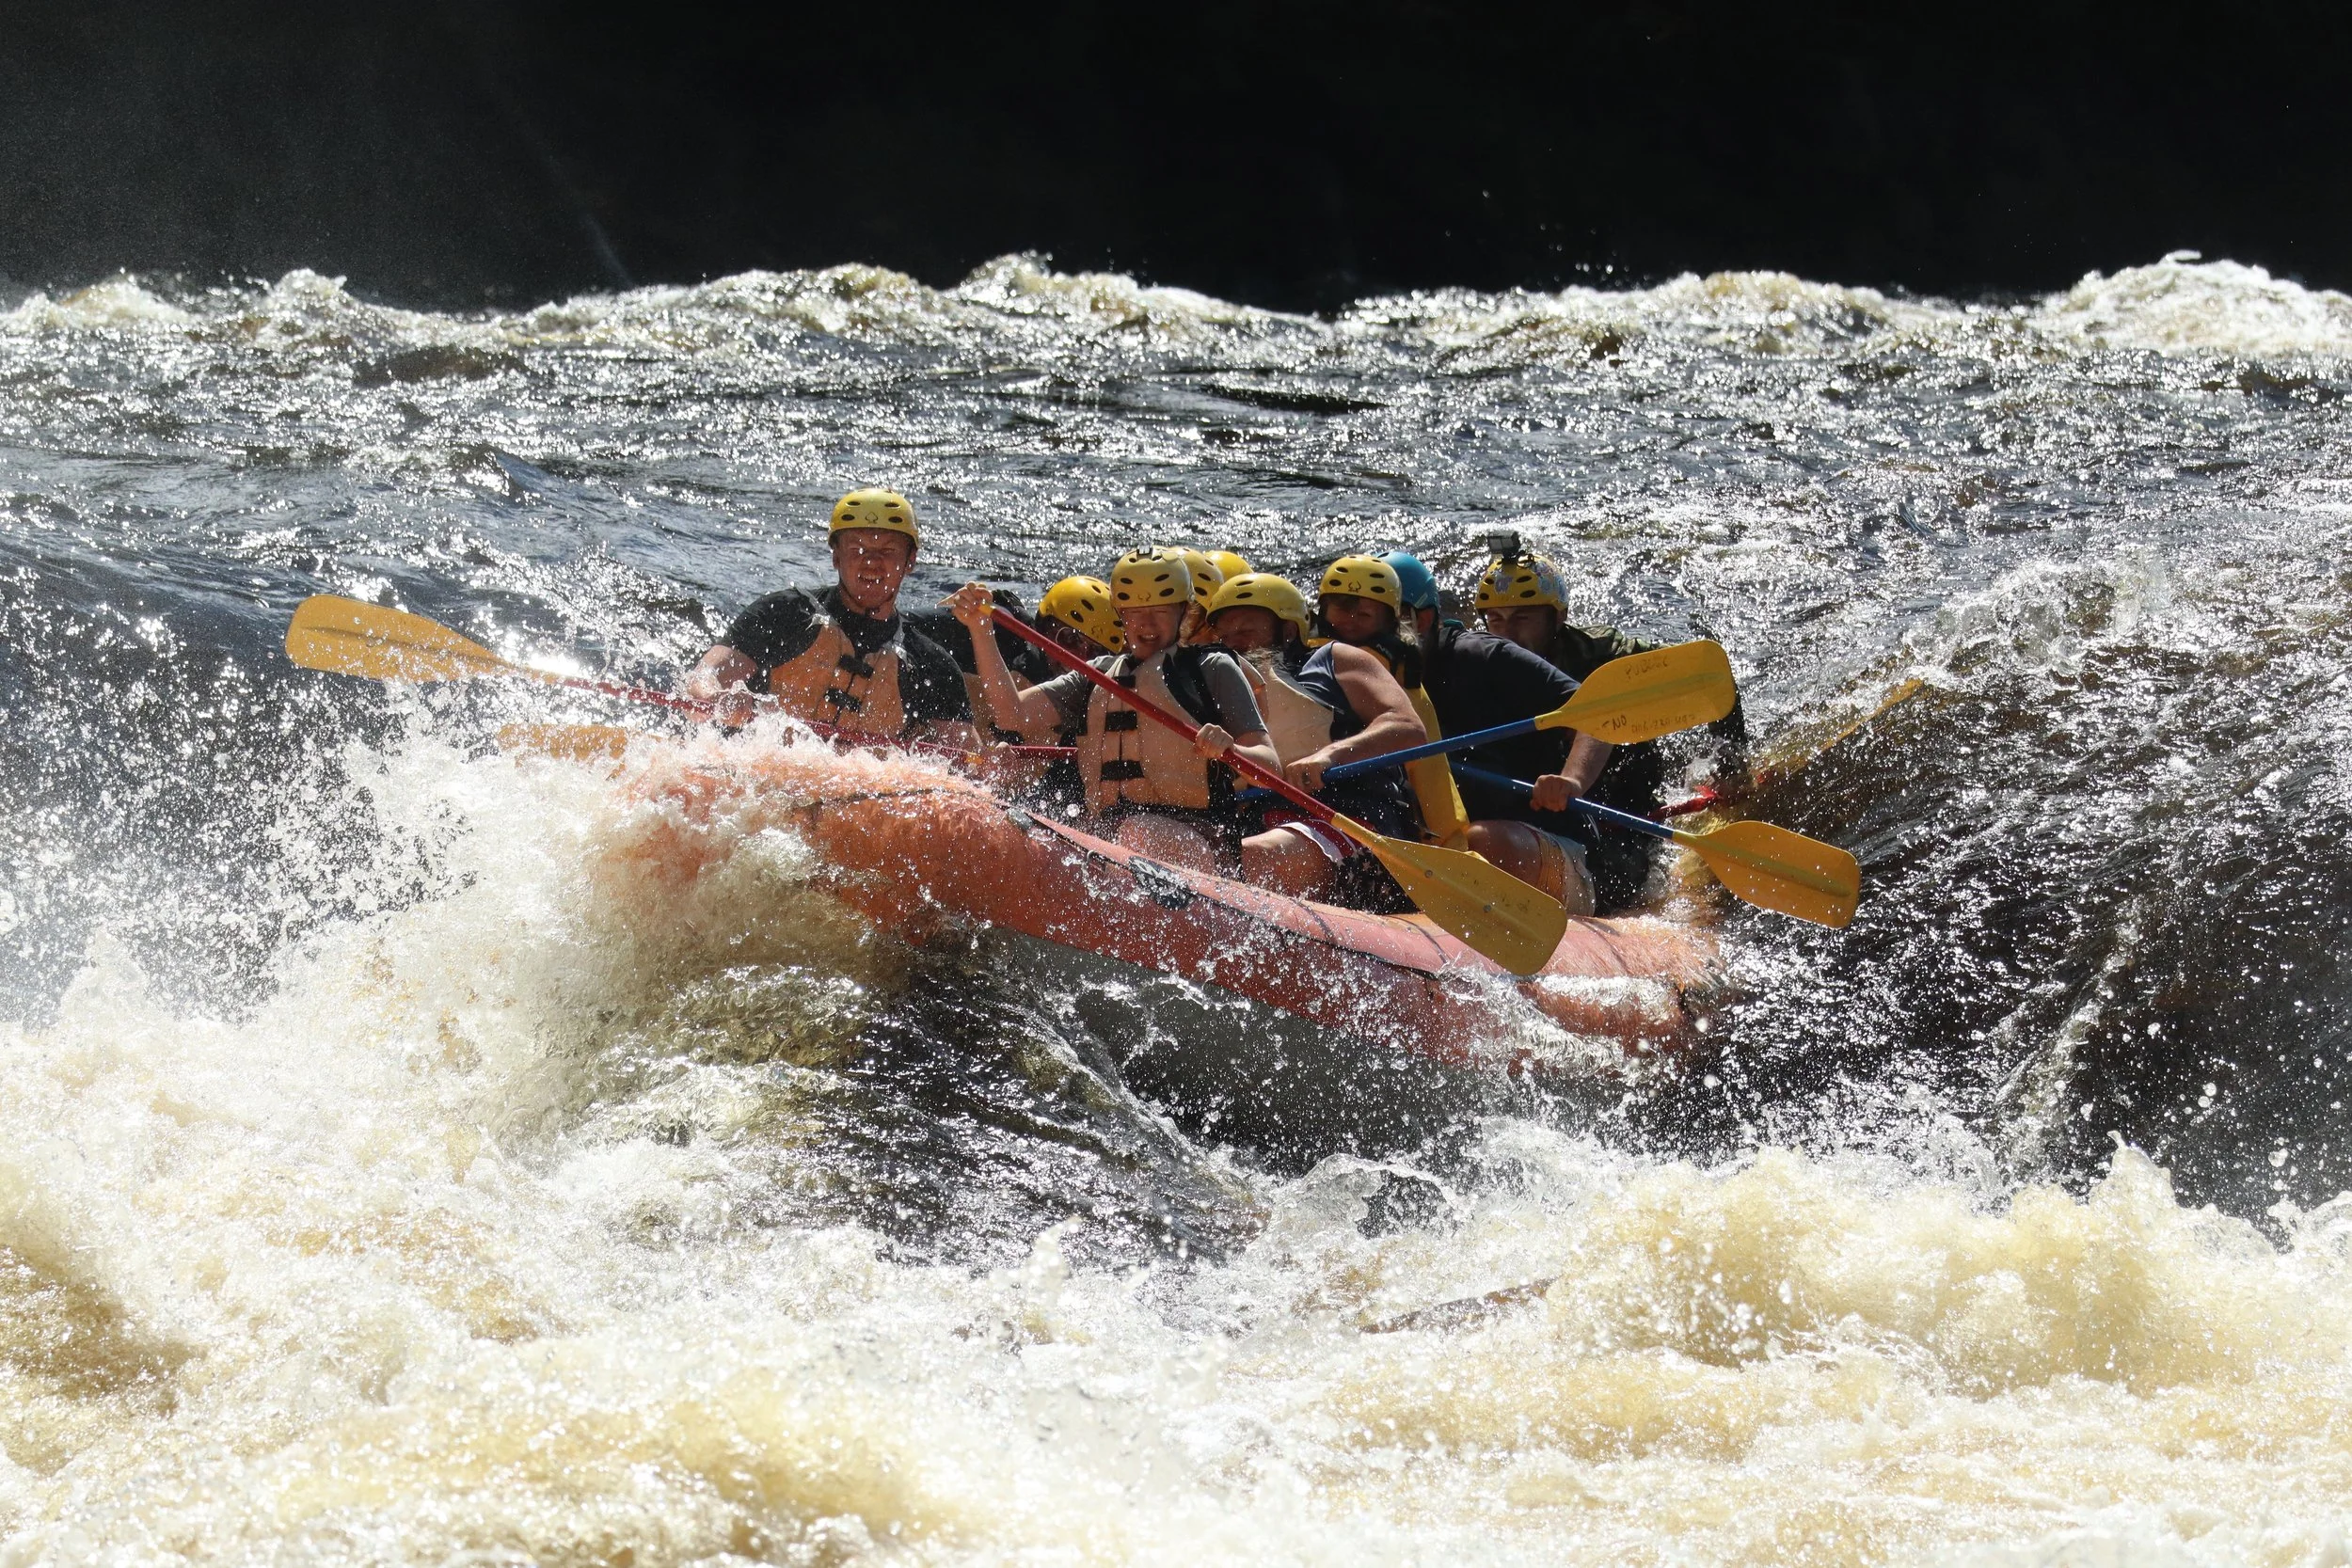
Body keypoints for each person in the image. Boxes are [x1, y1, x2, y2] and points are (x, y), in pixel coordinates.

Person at [946, 548, 1279, 877]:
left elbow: (1271, 768)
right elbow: (1011, 714)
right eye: (1135, 611)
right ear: (1121, 614)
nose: (1147, 623)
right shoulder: (1094, 676)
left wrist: (1232, 751)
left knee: (1137, 832)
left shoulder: (1213, 669)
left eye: (1160, 611)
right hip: (1107, 837)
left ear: (1183, 612)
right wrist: (980, 629)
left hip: (1198, 839)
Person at [1316, 553, 1600, 914]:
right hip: (1432, 857)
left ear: (1421, 620)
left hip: (1545, 846)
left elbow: (1591, 711)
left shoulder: (1483, 657)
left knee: (1479, 843)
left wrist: (1570, 780)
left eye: (1369, 622)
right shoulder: (1336, 676)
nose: (1351, 644)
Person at [684, 488, 976, 746]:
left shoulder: (930, 664)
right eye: (856, 549)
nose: (871, 562)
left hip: (859, 801)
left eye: (887, 550)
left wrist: (990, 764)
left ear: (909, 561)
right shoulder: (784, 614)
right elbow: (703, 679)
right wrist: (716, 699)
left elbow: (967, 758)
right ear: (836, 556)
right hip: (761, 784)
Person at [1203, 572, 1425, 906]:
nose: (1233, 643)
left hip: (1352, 823)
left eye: (1246, 631)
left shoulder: (1336, 661)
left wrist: (1330, 756)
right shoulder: (1215, 692)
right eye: (1225, 636)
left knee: (1246, 858)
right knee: (1192, 850)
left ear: (1288, 631)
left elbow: (1408, 727)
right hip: (1256, 818)